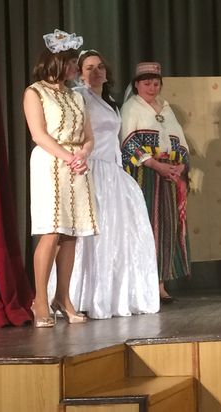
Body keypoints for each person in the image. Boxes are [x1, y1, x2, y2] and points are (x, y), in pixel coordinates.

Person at [53, 51, 160, 318]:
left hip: (112, 171)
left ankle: (110, 295)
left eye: (100, 67)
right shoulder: (78, 96)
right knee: (89, 236)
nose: (96, 72)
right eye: (89, 67)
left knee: (116, 234)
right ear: (79, 73)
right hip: (91, 169)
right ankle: (76, 296)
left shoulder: (109, 101)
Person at [23, 29, 97, 327]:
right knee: (51, 230)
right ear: (56, 61)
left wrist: (83, 154)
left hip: (76, 165)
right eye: (71, 62)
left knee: (70, 234)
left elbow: (89, 137)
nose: (74, 68)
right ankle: (40, 300)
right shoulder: (35, 92)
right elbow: (38, 134)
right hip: (50, 162)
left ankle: (63, 297)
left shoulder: (76, 96)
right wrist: (68, 156)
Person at [121, 62, 190, 303]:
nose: (152, 88)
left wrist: (180, 166)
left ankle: (161, 283)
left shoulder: (166, 109)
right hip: (144, 176)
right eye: (147, 83)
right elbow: (128, 143)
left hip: (168, 176)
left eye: (156, 83)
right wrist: (155, 165)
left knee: (166, 228)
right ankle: (144, 284)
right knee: (147, 227)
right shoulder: (131, 108)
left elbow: (180, 142)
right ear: (137, 85)